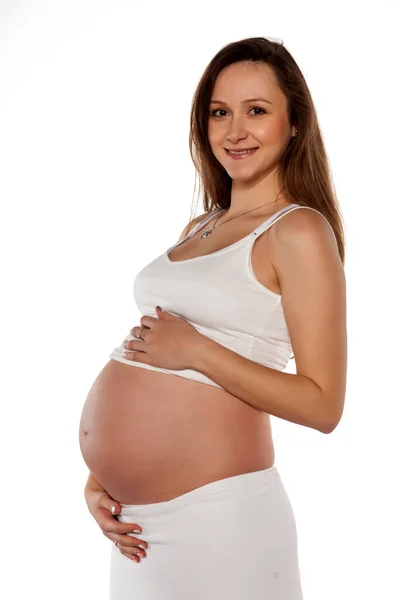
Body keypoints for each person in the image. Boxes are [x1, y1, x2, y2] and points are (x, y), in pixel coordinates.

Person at [82, 36, 347, 599]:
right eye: (219, 112)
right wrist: (102, 477)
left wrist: (198, 351)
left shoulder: (298, 231)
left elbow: (324, 405)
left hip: (220, 522)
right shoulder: (200, 226)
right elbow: (152, 356)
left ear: (294, 121)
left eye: (257, 111)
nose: (234, 131)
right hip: (136, 526)